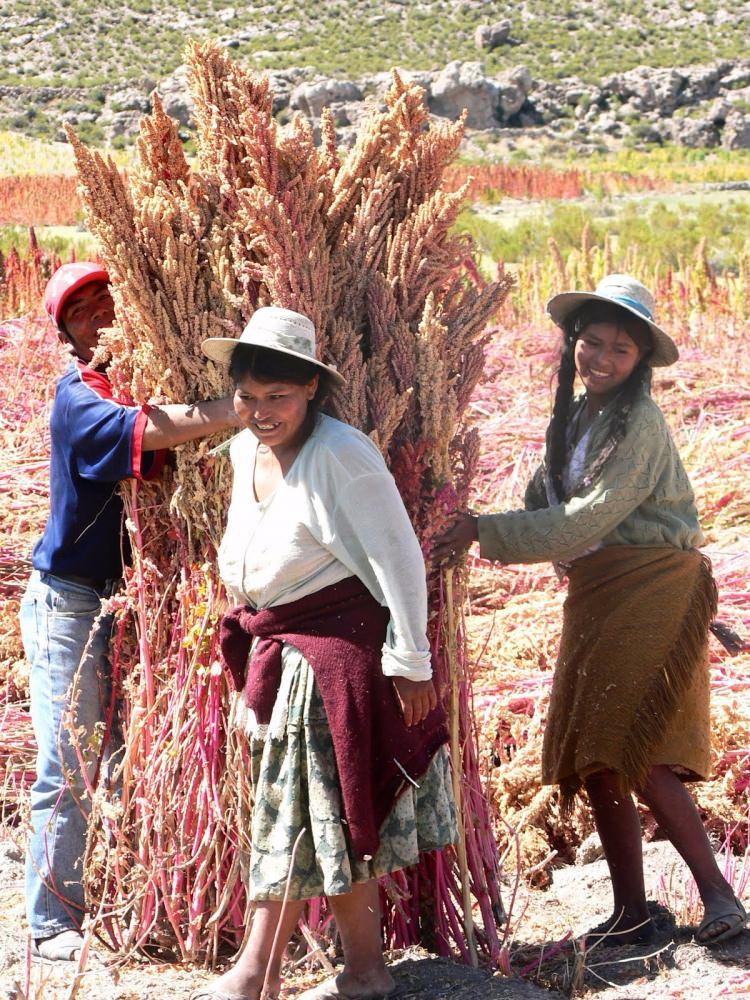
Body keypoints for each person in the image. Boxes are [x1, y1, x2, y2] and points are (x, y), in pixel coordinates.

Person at [433, 274, 747, 948]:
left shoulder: (640, 425)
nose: (601, 358)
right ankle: (634, 912)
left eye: (621, 349)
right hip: (600, 591)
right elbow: (546, 500)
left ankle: (721, 899)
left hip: (654, 589)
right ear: (573, 342)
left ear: (640, 363)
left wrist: (483, 532)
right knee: (600, 753)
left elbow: (586, 519)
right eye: (591, 341)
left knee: (642, 748)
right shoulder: (574, 420)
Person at [192, 306, 457, 1000]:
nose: (260, 411)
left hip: (331, 655)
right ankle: (363, 972)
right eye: (248, 397)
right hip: (279, 648)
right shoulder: (245, 448)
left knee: (305, 814)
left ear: (312, 387)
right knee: (323, 820)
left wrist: (412, 660)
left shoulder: (341, 454)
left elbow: (398, 558)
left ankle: (258, 974)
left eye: (278, 397)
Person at [20, 262, 242, 962]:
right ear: (66, 334)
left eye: (105, 298)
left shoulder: (130, 375)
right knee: (71, 760)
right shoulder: (80, 396)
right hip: (68, 603)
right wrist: (237, 408)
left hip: (126, 600)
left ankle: (105, 891)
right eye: (80, 310)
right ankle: (50, 922)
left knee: (118, 753)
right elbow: (146, 432)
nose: (98, 314)